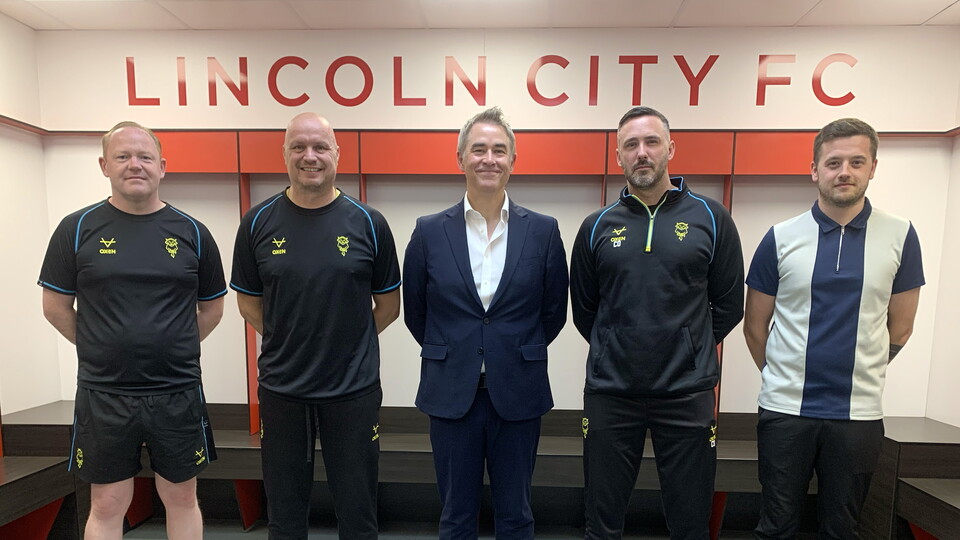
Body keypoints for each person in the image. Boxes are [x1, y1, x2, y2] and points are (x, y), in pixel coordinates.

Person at [38, 121, 226, 540]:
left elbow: (213, 308)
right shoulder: (76, 229)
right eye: (122, 156)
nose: (134, 165)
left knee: (181, 496)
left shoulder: (193, 232)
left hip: (177, 389)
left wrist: (174, 346)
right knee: (107, 502)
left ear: (163, 166)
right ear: (104, 165)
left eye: (144, 157)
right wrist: (100, 346)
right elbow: (55, 307)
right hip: (104, 392)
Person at [744, 118, 924, 539]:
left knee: (842, 529)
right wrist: (783, 376)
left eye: (856, 162)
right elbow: (754, 327)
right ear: (814, 170)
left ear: (873, 167)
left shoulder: (900, 235)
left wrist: (860, 370)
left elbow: (901, 328)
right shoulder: (780, 237)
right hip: (785, 410)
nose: (845, 172)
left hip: (858, 415)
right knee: (775, 527)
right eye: (833, 163)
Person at [570, 106, 744, 539]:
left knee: (690, 523)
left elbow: (729, 304)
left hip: (687, 394)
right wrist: (616, 345)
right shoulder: (596, 226)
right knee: (601, 523)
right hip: (612, 393)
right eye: (631, 145)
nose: (642, 153)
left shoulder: (712, 218)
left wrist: (688, 348)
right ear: (618, 156)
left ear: (671, 148)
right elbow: (585, 310)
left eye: (651, 142)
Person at [230, 112, 401, 539]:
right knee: (285, 518)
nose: (310, 156)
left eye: (320, 147)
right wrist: (290, 338)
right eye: (299, 147)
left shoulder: (369, 223)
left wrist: (346, 342)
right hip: (282, 392)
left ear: (337, 154)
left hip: (353, 391)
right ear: (284, 154)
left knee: (358, 515)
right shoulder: (256, 222)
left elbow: (388, 306)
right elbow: (248, 303)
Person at [402, 106, 569, 539]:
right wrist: (457, 349)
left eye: (498, 150)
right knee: (456, 515)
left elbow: (553, 312)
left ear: (513, 160)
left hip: (518, 389)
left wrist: (508, 349)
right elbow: (417, 312)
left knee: (516, 515)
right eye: (478, 149)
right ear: (460, 158)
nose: (488, 159)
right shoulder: (428, 231)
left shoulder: (544, 231)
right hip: (451, 392)